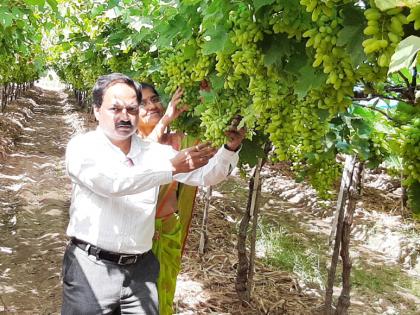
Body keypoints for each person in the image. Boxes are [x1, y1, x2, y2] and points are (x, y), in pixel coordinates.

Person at [62, 73, 245, 314]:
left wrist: (229, 149)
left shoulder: (153, 152)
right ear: (97, 110)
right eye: (115, 109)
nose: (125, 116)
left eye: (131, 108)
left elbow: (205, 176)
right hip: (92, 268)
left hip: (141, 270)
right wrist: (170, 168)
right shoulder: (83, 147)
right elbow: (112, 183)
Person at [137, 83, 199, 315]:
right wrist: (165, 121)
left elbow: (207, 166)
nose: (151, 106)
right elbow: (141, 163)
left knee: (163, 298)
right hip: (137, 237)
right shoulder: (127, 143)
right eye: (142, 103)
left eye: (154, 99)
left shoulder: (178, 141)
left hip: (168, 230)